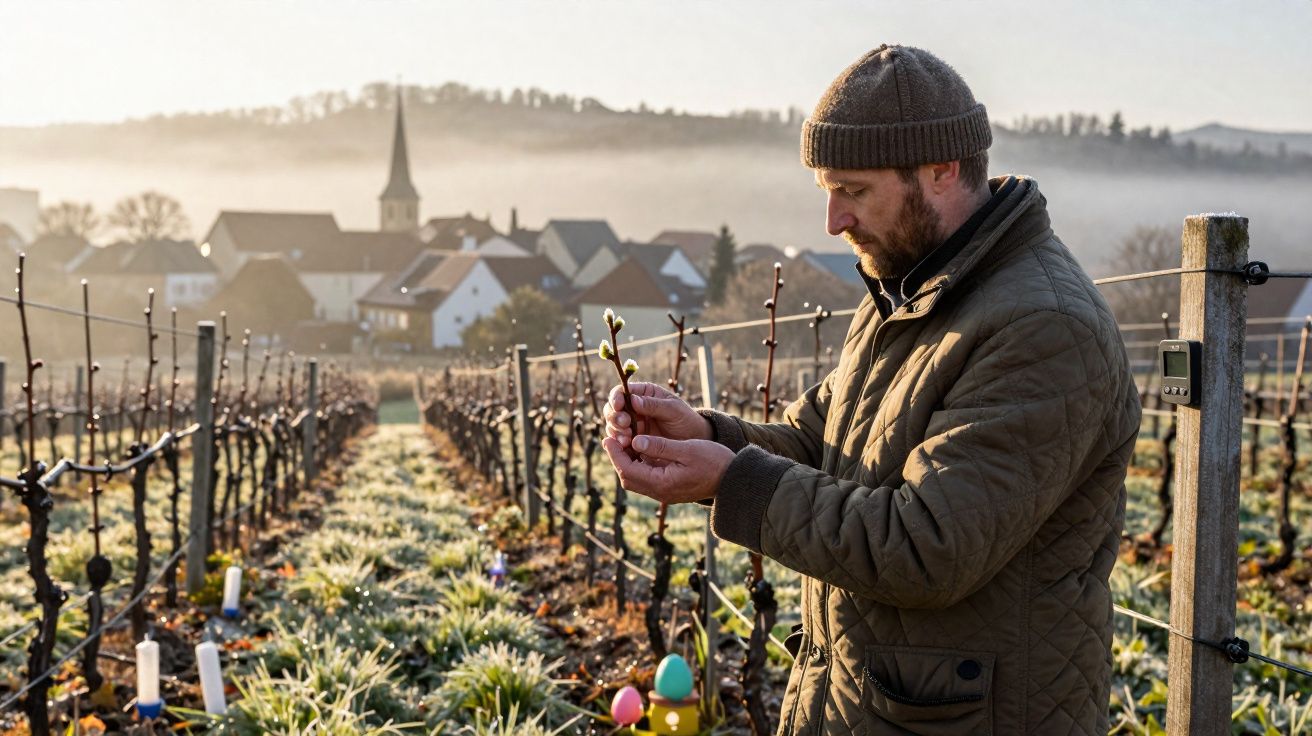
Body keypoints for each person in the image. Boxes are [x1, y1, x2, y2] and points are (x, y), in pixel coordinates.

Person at [601, 44, 1141, 734]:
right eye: (827, 191)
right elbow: (817, 442)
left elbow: (928, 546)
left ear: (942, 170)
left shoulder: (1043, 327)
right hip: (877, 702)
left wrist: (732, 481)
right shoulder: (909, 289)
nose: (833, 221)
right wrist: (706, 437)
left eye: (853, 191)